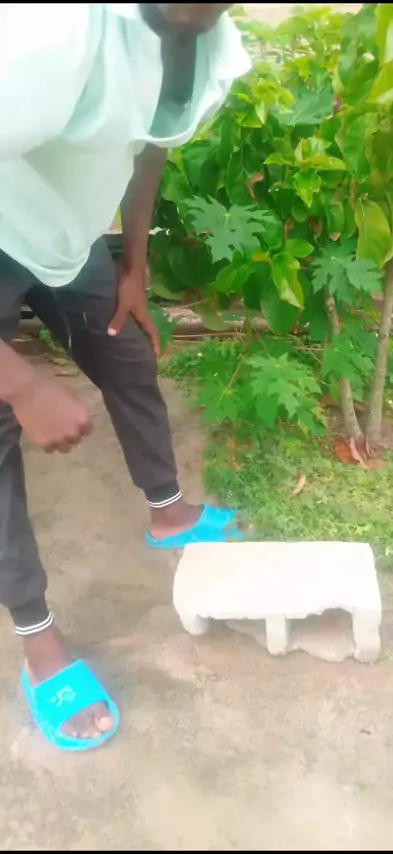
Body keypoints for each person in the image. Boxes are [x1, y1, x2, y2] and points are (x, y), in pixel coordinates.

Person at [0, 3, 250, 750]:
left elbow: (151, 146)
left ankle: (167, 512)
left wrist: (133, 264)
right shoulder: (50, 34)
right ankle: (38, 637)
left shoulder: (204, 38)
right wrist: (22, 384)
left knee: (124, 347)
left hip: (63, 234)